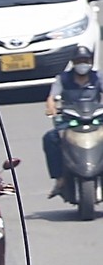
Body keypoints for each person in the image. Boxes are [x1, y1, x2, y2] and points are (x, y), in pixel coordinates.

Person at [44, 46, 101, 200]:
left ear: (90, 62)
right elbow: (52, 97)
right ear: (73, 63)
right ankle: (59, 178)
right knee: (50, 138)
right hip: (70, 121)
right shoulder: (62, 79)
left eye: (85, 61)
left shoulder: (98, 77)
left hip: (96, 119)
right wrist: (51, 107)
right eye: (79, 61)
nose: (82, 64)